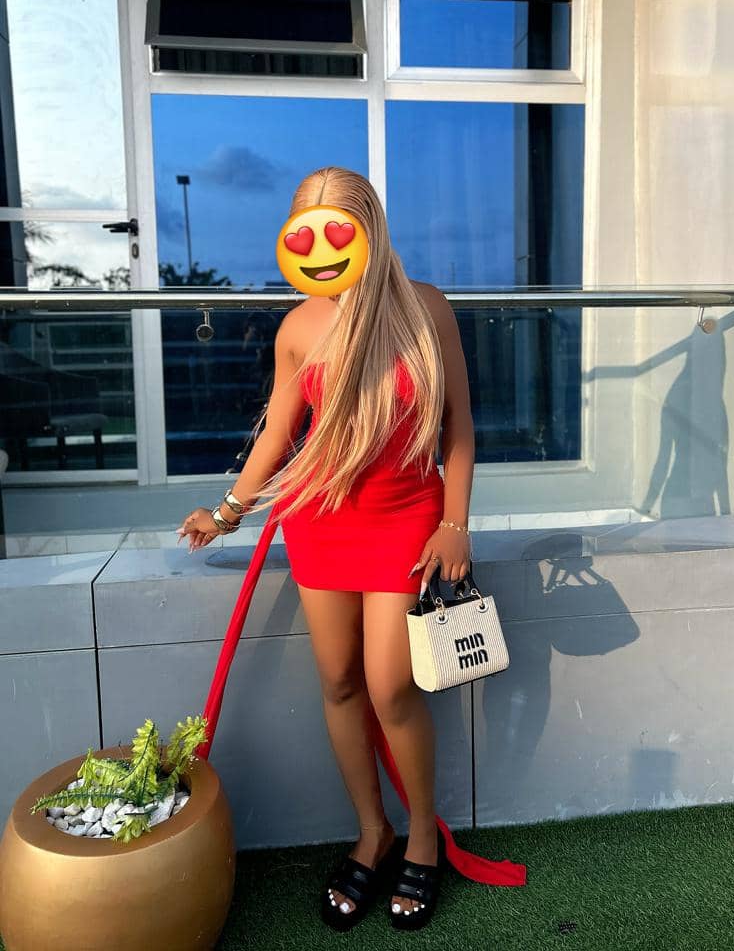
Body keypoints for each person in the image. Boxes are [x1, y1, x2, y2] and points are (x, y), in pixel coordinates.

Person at [176, 167, 524, 932]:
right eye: (305, 234)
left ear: (369, 228)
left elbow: (459, 427)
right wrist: (227, 511)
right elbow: (278, 433)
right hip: (321, 520)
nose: (321, 249)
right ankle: (373, 831)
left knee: (390, 687)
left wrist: (456, 523)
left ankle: (423, 835)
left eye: (337, 229)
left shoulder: (427, 309)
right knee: (338, 682)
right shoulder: (298, 328)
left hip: (406, 520)